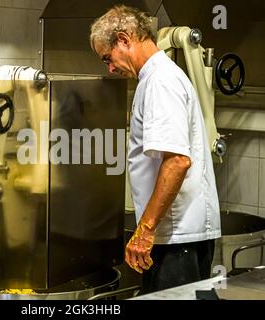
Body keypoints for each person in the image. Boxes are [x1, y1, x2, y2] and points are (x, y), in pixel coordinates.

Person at [90, 5, 221, 295]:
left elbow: (177, 162)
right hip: (173, 235)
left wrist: (145, 231)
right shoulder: (154, 79)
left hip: (177, 237)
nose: (110, 68)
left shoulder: (160, 82)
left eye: (107, 58)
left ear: (124, 39)